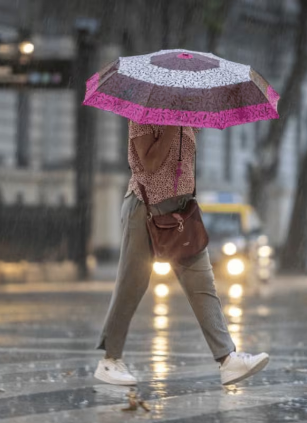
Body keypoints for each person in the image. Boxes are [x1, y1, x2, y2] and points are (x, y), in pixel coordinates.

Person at [94, 121, 269, 386]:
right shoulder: (144, 113)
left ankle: (227, 359)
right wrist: (171, 128)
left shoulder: (186, 115)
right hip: (144, 210)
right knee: (132, 284)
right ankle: (109, 360)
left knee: (203, 285)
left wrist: (186, 125)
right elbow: (150, 163)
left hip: (180, 213)